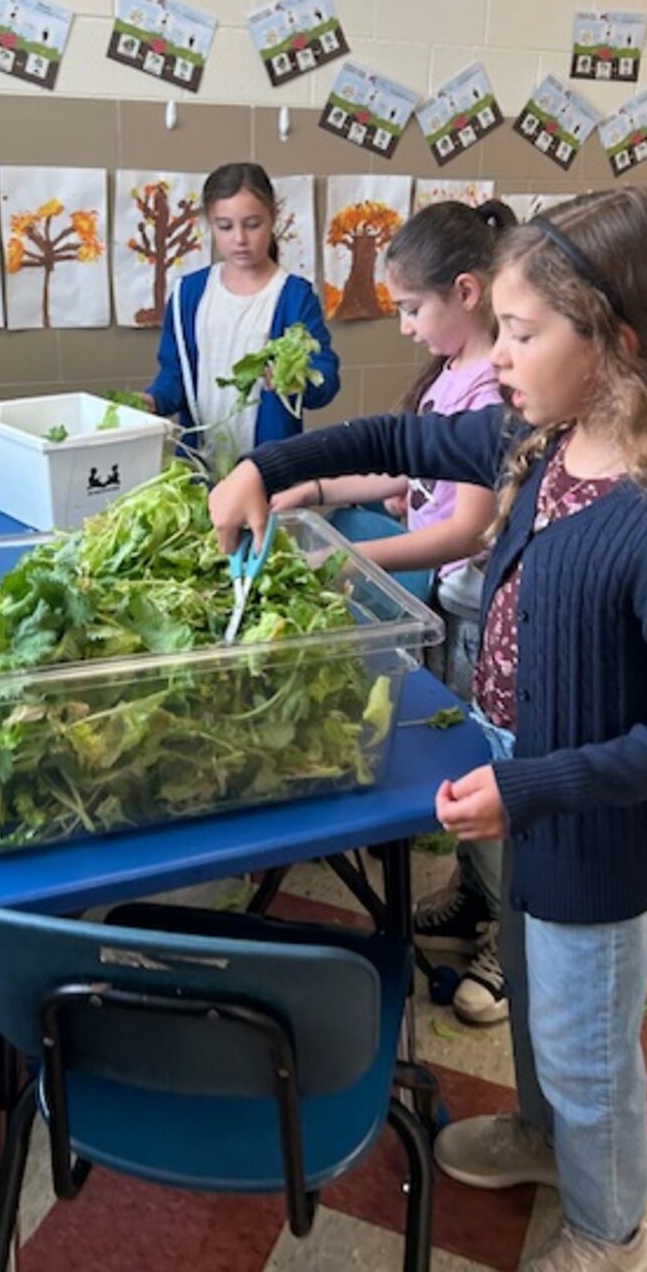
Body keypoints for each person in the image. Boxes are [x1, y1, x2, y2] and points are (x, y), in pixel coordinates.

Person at [208, 186, 647, 1272]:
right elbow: (399, 430)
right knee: (526, 976)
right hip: (527, 785)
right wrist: (264, 467)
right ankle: (543, 1136)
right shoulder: (541, 437)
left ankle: (613, 1230)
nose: (497, 356)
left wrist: (534, 789)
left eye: (521, 333)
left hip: (592, 825)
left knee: (588, 1044)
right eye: (500, 330)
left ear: (619, 342)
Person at [270, 197, 516, 1026]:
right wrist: (313, 485)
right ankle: (473, 897)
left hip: (479, 606)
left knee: (488, 769)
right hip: (451, 600)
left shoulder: (491, 389)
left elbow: (464, 526)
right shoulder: (450, 374)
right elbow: (403, 466)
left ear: (467, 292)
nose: (405, 327)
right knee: (458, 765)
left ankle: (508, 944)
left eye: (413, 308)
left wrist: (342, 559)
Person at [142, 162, 339, 472]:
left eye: (252, 224)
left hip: (270, 467)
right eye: (225, 226)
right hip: (198, 463)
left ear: (273, 218)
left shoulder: (294, 296)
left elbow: (326, 379)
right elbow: (175, 373)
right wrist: (153, 401)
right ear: (209, 224)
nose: (239, 239)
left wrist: (296, 378)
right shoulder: (187, 294)